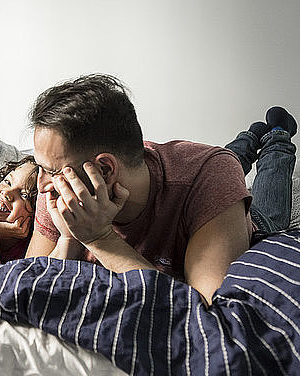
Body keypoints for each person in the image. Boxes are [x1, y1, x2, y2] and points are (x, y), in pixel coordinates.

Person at [25, 73, 296, 305]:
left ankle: (277, 136)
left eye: (51, 171)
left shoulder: (206, 174)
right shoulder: (57, 185)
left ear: (105, 170)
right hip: (205, 172)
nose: (42, 184)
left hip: (244, 218)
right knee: (230, 160)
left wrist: (99, 238)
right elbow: (25, 287)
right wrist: (70, 238)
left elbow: (206, 308)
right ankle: (247, 140)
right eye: (41, 168)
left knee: (260, 193)